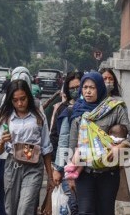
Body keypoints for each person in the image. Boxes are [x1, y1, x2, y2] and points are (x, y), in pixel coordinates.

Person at [63, 72, 130, 215]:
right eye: (85, 87)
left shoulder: (114, 108)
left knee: (105, 211)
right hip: (84, 172)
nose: (88, 91)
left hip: (109, 172)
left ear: (100, 88)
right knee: (85, 211)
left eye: (92, 88)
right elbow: (71, 145)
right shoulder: (77, 111)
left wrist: (120, 147)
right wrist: (70, 175)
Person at [0, 79, 54, 215]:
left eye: (23, 99)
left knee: (25, 208)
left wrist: (50, 176)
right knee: (10, 209)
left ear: (28, 97)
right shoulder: (6, 118)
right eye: (15, 100)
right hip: (12, 166)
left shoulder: (38, 116)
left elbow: (46, 147)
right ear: (10, 100)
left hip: (34, 167)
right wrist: (2, 142)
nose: (19, 103)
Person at [50, 71, 83, 214]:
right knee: (72, 205)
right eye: (72, 88)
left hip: (89, 167)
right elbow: (60, 138)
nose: (76, 91)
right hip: (68, 166)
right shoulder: (64, 109)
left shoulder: (95, 108)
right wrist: (57, 168)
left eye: (79, 87)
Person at [64, 124, 128, 180]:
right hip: (108, 162)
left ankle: (73, 165)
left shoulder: (108, 138)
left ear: (109, 132)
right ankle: (76, 172)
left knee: (80, 150)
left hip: (98, 155)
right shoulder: (122, 143)